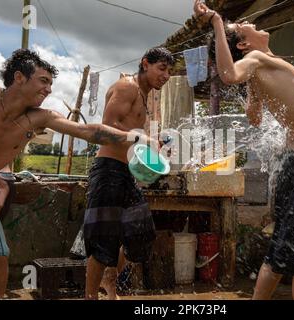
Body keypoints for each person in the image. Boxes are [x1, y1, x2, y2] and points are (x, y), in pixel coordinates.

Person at [0, 49, 152, 299]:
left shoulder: (40, 117)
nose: (49, 89)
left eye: (51, 83)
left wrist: (133, 137)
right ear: (19, 77)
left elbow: (87, 132)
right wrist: (1, 185)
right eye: (43, 81)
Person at [193, 1, 294, 299]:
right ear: (242, 43)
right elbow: (228, 75)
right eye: (244, 27)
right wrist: (217, 22)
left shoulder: (259, 66)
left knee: (282, 247)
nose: (252, 23)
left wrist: (253, 91)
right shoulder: (255, 57)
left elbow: (255, 118)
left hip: (293, 161)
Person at [84, 47, 173, 300]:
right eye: (162, 68)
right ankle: (90, 296)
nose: (166, 76)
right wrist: (140, 139)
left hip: (126, 172)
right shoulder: (127, 87)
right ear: (145, 63)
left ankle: (109, 281)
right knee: (103, 241)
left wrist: (149, 146)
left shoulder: (144, 97)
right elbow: (106, 128)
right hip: (108, 171)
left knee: (141, 233)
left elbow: (132, 136)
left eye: (169, 71)